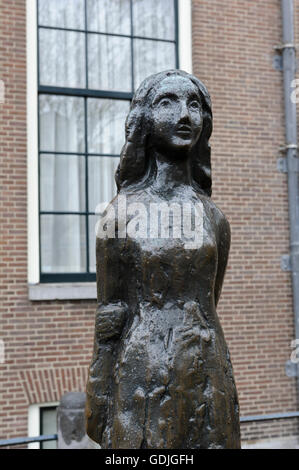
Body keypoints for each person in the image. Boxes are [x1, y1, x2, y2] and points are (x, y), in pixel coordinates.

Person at [86, 70, 240, 449]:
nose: (184, 115)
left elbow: (209, 302)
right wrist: (100, 398)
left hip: (207, 372)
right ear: (145, 120)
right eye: (167, 102)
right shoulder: (120, 216)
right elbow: (111, 312)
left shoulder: (213, 218)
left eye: (193, 105)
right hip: (141, 375)